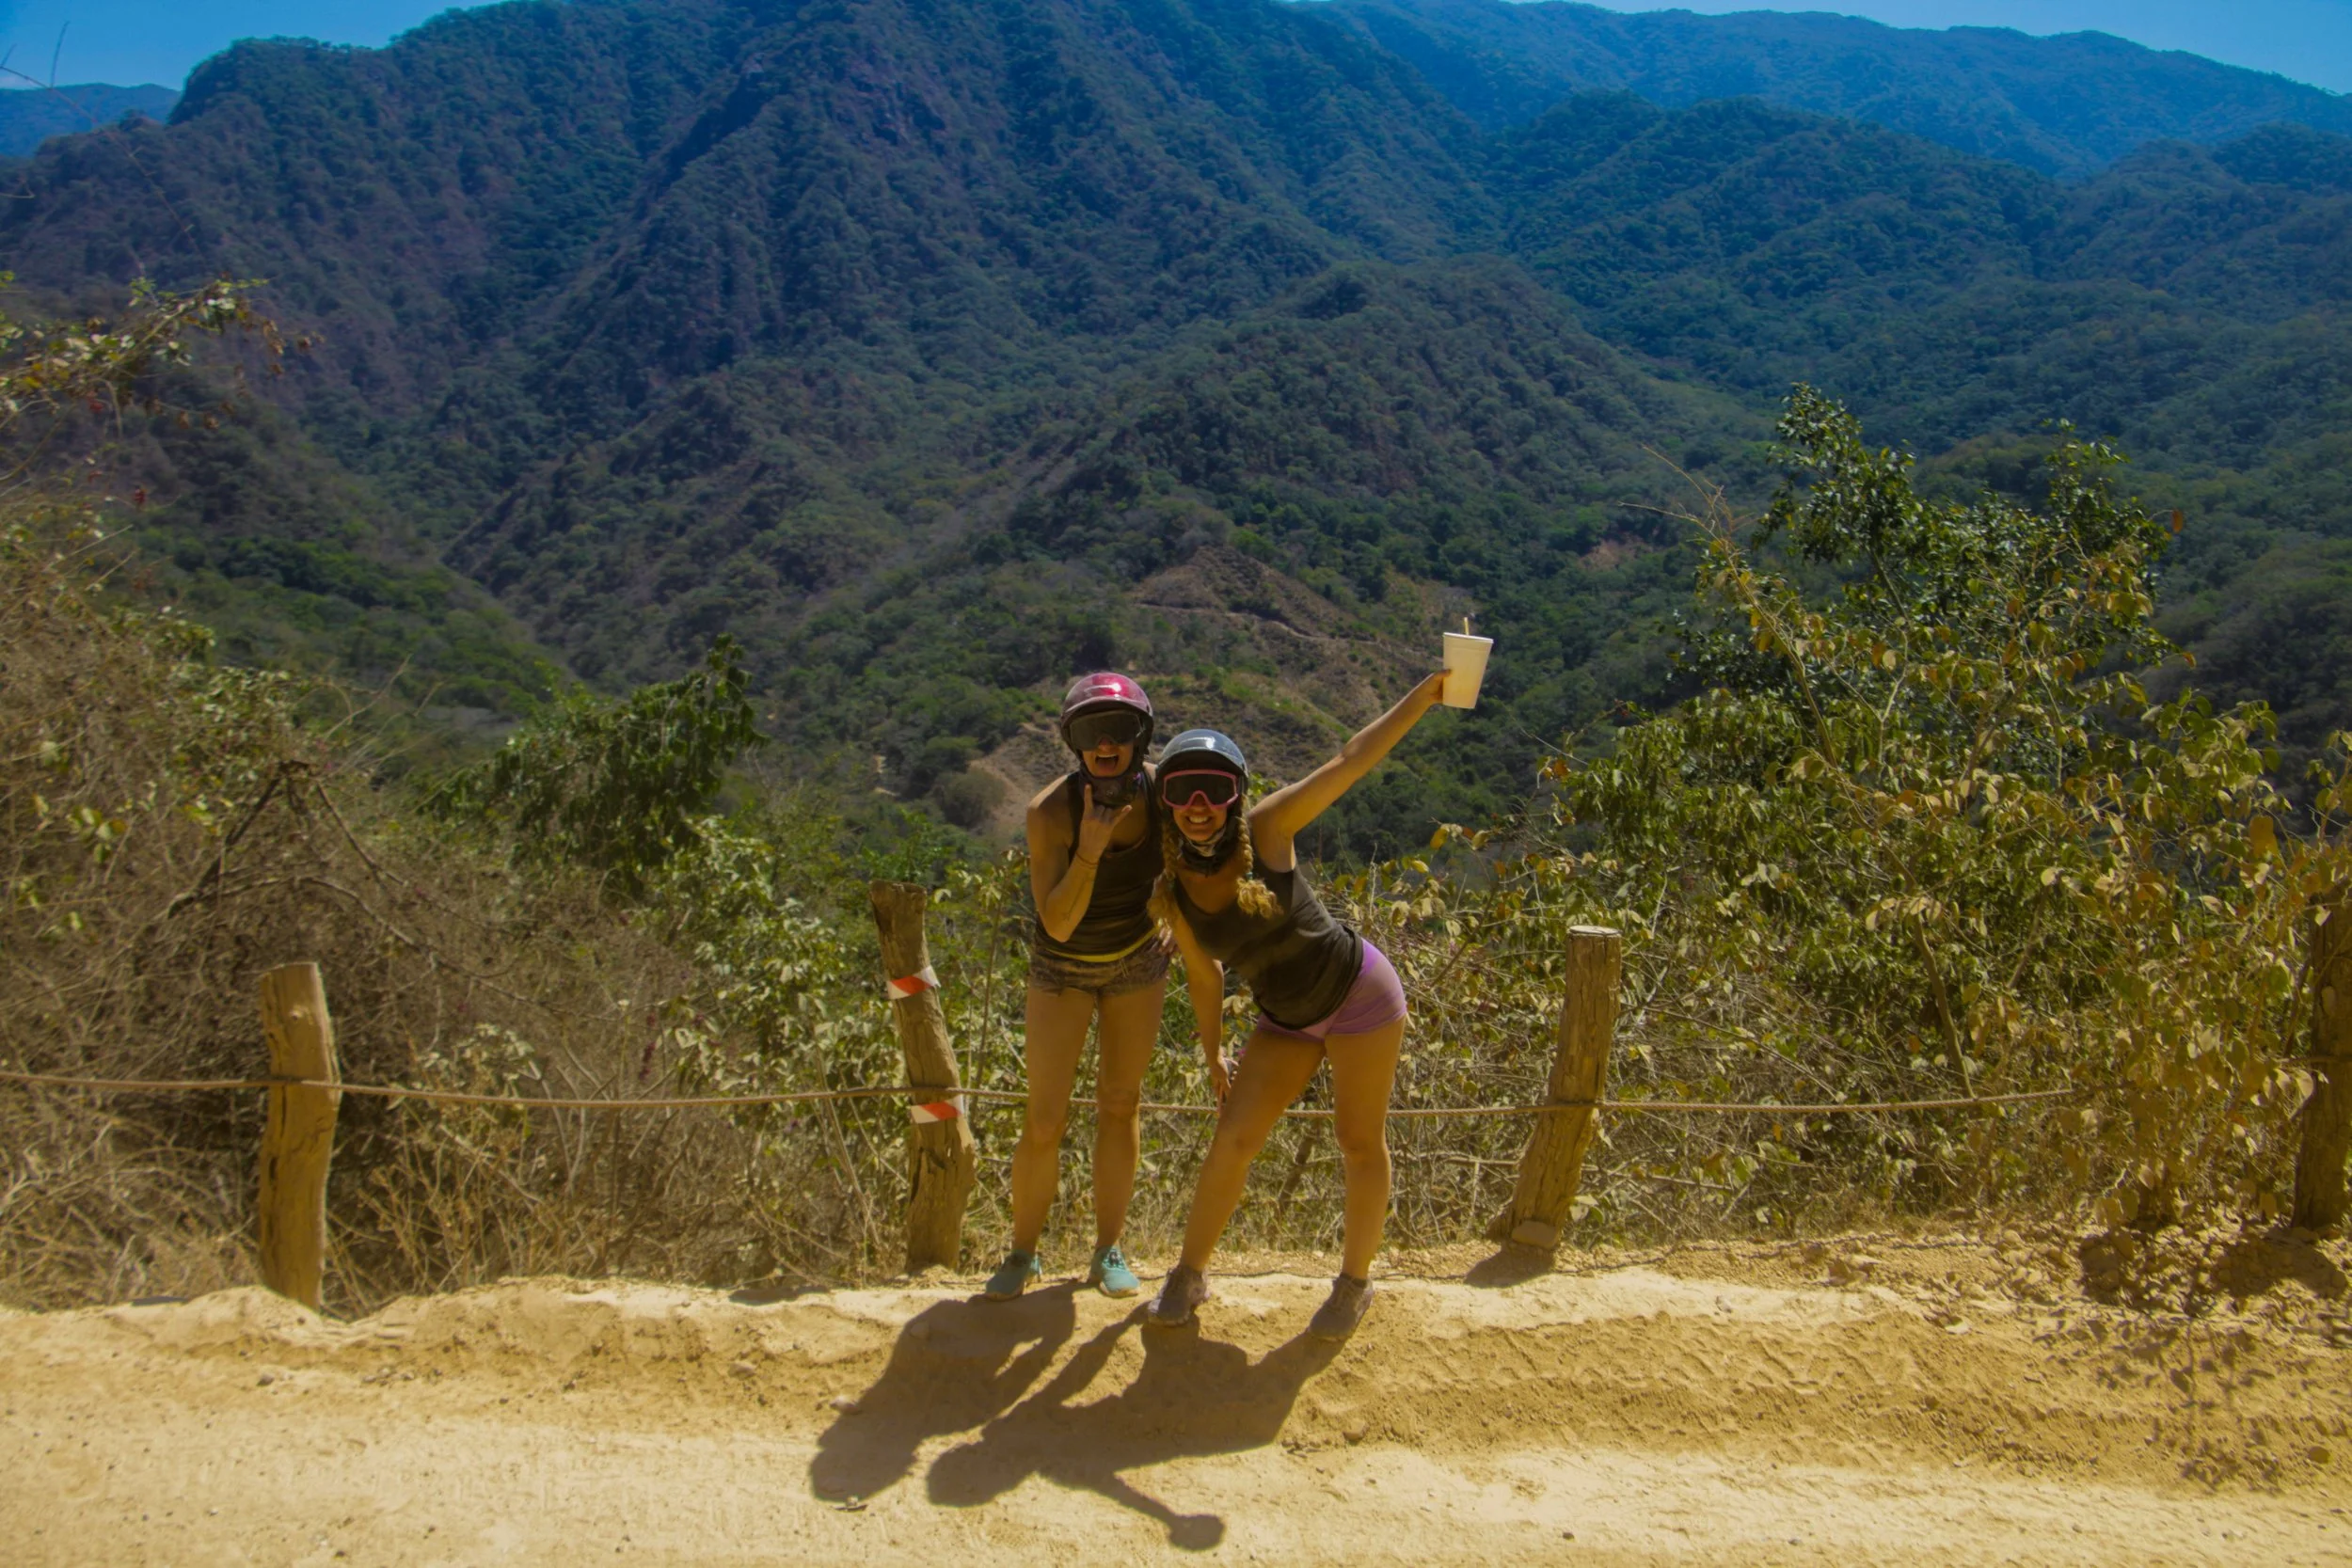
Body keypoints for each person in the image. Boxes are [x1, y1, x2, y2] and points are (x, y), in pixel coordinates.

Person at [1145, 673, 1450, 1340]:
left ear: (1237, 796)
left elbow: (1348, 760)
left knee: (1358, 1140)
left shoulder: (1268, 829)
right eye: (1183, 791)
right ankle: (1189, 1273)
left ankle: (1354, 1283)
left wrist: (1421, 700)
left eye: (1215, 790)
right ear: (1165, 803)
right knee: (1234, 1138)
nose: (1200, 805)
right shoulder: (1175, 891)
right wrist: (1212, 1051)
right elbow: (1204, 978)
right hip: (1286, 1017)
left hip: (1361, 995)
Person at [986, 672, 1169, 1301]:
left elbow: (1208, 850)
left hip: (1137, 962)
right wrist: (1089, 850)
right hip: (1062, 968)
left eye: (1118, 729)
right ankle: (1023, 1250)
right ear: (1075, 743)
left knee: (1121, 1103)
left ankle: (1108, 1250)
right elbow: (1058, 924)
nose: (1106, 743)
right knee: (1045, 1117)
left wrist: (1179, 919)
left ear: (1140, 737)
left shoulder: (1165, 793)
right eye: (1092, 731)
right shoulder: (1051, 814)